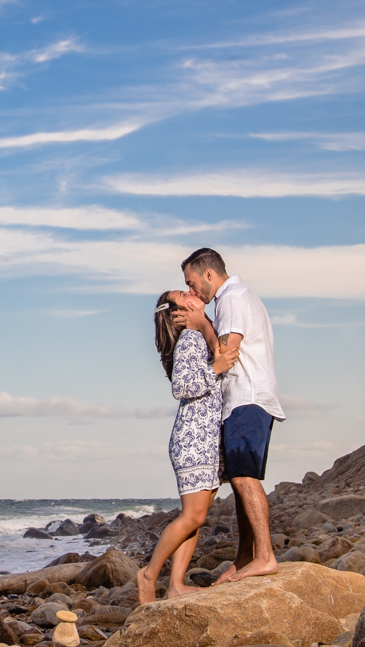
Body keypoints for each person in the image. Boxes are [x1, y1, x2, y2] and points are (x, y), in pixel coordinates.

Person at [173, 247, 286, 583]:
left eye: (192, 283)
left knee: (242, 478)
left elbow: (227, 352)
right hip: (246, 399)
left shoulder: (233, 298)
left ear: (209, 274)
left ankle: (265, 556)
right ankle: (245, 557)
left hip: (246, 398)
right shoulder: (235, 297)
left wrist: (200, 323)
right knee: (240, 480)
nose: (192, 291)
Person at [135, 289, 237, 604]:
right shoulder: (189, 340)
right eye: (184, 293)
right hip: (193, 439)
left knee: (196, 516)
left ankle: (176, 585)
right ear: (179, 311)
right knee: (192, 517)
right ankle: (149, 575)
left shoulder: (199, 336)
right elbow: (180, 386)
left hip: (205, 439)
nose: (192, 292)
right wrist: (216, 369)